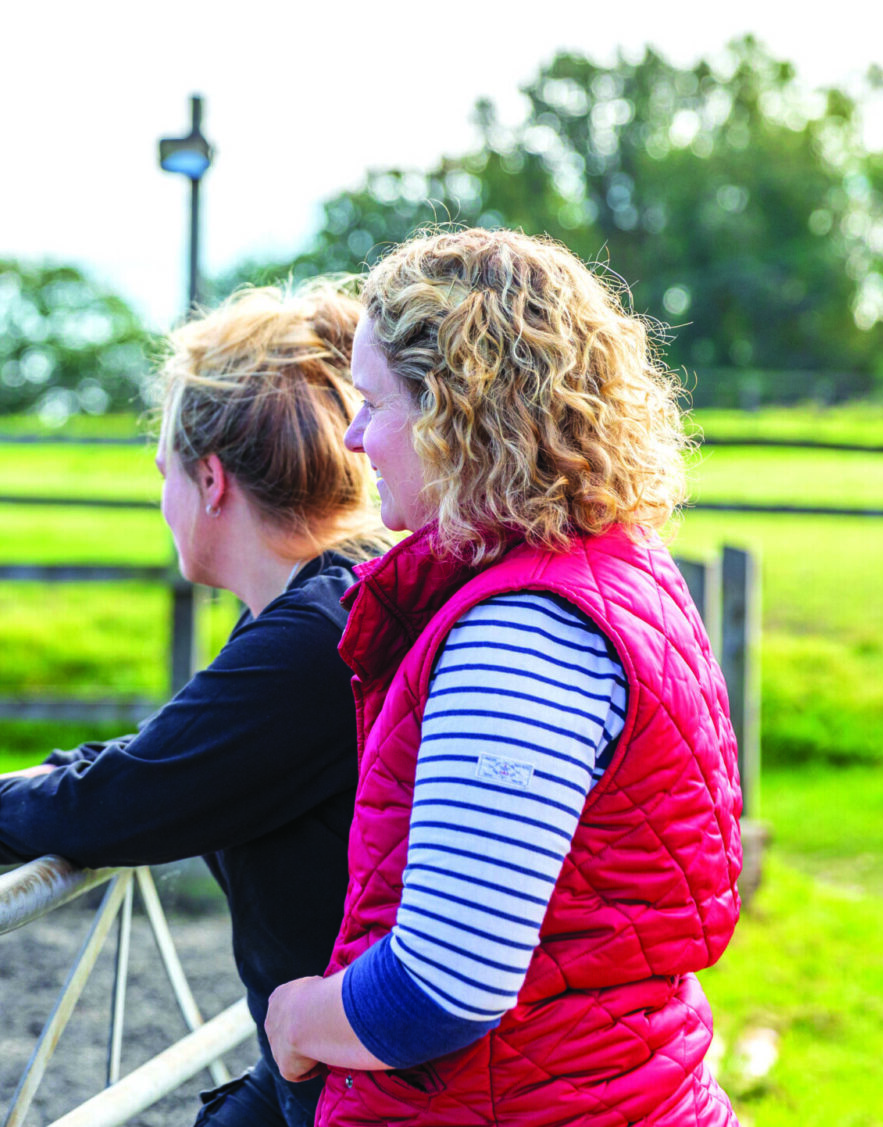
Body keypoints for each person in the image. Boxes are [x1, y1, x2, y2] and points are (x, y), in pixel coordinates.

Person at [259, 227, 744, 1126]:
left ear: (458, 412)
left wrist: (297, 1018)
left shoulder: (522, 635)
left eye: (372, 402)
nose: (356, 438)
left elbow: (444, 984)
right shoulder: (606, 570)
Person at [0, 281, 387, 1127]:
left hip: (361, 1082)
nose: (164, 503)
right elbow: (176, 751)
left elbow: (130, 799)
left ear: (211, 480)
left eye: (165, 476)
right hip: (327, 1060)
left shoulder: (314, 638)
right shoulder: (326, 601)